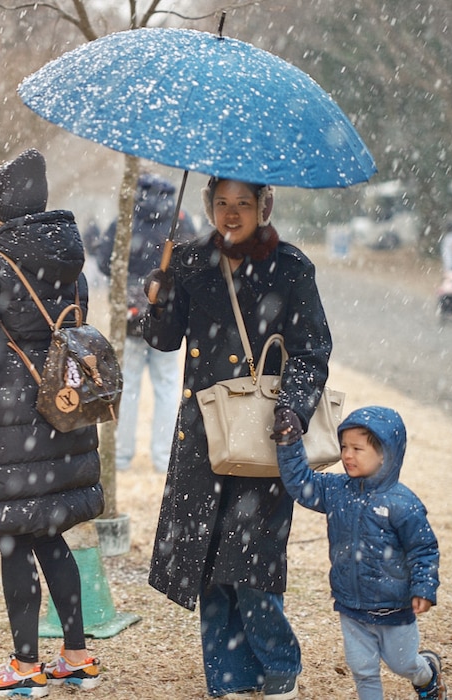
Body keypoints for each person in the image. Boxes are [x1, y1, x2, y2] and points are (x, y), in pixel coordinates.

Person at [142, 177, 333, 699]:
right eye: (221, 203)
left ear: (263, 206)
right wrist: (156, 301)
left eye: (242, 204)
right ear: (207, 205)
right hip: (205, 434)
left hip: (264, 432)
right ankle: (229, 678)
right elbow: (164, 340)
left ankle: (279, 668)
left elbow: (312, 349)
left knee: (251, 560)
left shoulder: (290, 268)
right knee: (209, 560)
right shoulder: (187, 261)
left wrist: (292, 412)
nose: (231, 214)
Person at [0, 148, 104, 697]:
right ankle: (77, 655)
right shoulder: (71, 258)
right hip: (62, 411)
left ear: (0, 206)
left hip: (13, 422)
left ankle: (24, 666)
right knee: (51, 532)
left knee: (14, 538)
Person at [272, 406, 446, 700]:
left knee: (401, 663)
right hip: (351, 605)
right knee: (362, 668)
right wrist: (289, 444)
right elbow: (302, 483)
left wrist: (424, 587)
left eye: (357, 448)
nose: (347, 455)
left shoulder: (402, 503)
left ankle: (426, 673)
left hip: (394, 607)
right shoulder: (337, 490)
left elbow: (423, 549)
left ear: (385, 454)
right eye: (344, 447)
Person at [96, 173, 196, 472]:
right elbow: (194, 261)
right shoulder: (180, 220)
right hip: (168, 315)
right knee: (167, 387)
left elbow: (104, 261)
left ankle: (122, 457)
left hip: (130, 316)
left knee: (128, 386)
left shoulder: (125, 218)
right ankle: (164, 458)